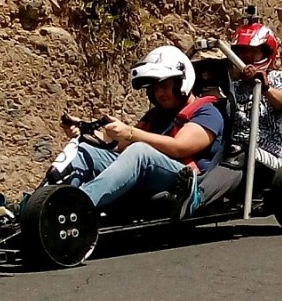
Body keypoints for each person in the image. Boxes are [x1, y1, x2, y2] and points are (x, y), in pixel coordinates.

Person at [60, 45, 225, 220]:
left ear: (181, 82)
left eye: (165, 86)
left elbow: (180, 147)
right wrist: (84, 131)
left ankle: (76, 204)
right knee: (86, 151)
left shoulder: (207, 112)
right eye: (154, 88)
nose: (159, 93)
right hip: (150, 172)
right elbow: (119, 146)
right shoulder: (155, 115)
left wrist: (130, 132)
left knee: (139, 152)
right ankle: (48, 201)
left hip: (185, 178)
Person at [229, 16, 282, 169]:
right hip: (237, 155)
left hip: (280, 159)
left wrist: (265, 89)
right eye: (241, 51)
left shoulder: (280, 78)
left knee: (241, 155)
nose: (246, 56)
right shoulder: (233, 86)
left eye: (252, 51)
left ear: (265, 52)